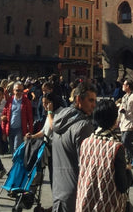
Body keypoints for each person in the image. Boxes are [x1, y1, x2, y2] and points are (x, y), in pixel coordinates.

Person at [75, 99, 132, 212]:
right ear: (115, 120)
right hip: (108, 206)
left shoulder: (86, 142)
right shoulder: (116, 147)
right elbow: (122, 185)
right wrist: (128, 170)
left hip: (85, 203)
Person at [51, 81, 97, 212]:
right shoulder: (83, 126)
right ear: (78, 100)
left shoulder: (59, 119)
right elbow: (87, 165)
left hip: (59, 190)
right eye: (90, 100)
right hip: (77, 193)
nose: (94, 105)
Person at [1, 81, 33, 155]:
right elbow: (4, 115)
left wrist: (30, 132)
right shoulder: (9, 101)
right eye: (17, 90)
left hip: (20, 130)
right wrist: (3, 133)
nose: (19, 92)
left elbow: (30, 118)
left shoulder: (26, 101)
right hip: (10, 129)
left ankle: (16, 165)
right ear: (13, 91)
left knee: (16, 149)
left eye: (21, 91)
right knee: (12, 150)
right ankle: (16, 165)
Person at [117, 79, 133, 168]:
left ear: (128, 86)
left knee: (126, 140)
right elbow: (121, 110)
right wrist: (118, 121)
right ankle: (129, 159)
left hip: (130, 122)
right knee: (123, 143)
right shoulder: (124, 97)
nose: (123, 85)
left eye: (124, 84)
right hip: (123, 122)